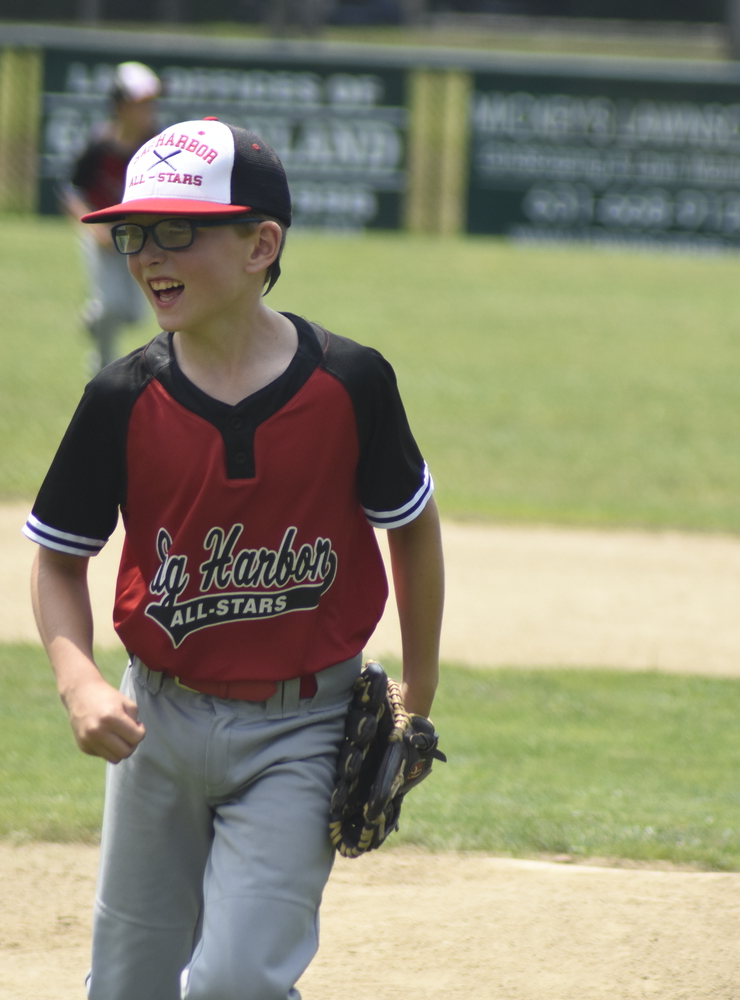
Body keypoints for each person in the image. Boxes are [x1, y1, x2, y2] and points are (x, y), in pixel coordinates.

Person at [26, 116, 444, 1000]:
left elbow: (412, 525)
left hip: (303, 728)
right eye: (135, 233)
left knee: (237, 983)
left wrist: (420, 693)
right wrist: (82, 684)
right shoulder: (122, 398)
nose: (147, 255)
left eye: (179, 230)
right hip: (158, 726)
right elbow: (60, 559)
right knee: (127, 986)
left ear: (262, 243)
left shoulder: (350, 383)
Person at [64, 61, 162, 371]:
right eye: (139, 104)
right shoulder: (99, 144)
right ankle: (103, 367)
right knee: (110, 305)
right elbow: (73, 190)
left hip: (139, 236)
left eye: (150, 103)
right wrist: (93, 228)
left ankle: (95, 319)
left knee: (134, 313)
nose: (147, 111)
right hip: (104, 236)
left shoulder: (156, 143)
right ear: (119, 105)